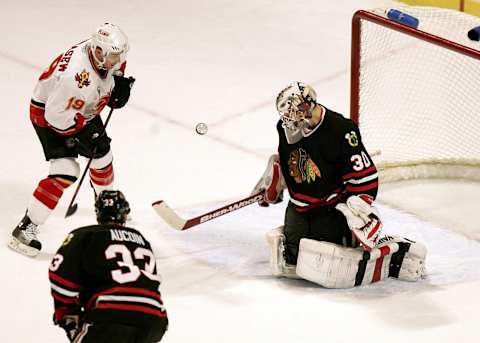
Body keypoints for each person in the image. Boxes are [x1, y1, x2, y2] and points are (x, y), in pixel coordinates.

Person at [253, 81, 427, 288]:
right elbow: (289, 158)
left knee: (335, 269)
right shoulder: (285, 128)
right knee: (290, 265)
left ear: (306, 106)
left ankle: (393, 252)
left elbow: (364, 177)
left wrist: (360, 208)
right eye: (285, 115)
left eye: (292, 112)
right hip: (299, 209)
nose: (288, 120)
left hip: (331, 209)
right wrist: (278, 179)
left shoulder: (341, 130)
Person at [8, 23, 135, 257]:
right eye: (113, 57)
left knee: (103, 155)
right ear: (98, 53)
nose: (117, 61)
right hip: (52, 117)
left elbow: (115, 69)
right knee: (66, 170)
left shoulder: (101, 55)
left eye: (119, 56)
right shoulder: (76, 79)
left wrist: (118, 82)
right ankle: (25, 229)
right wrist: (81, 136)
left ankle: (108, 212)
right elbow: (57, 118)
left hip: (79, 109)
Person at [48, 190, 168, 342]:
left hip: (110, 316)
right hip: (154, 319)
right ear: (125, 213)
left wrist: (66, 311)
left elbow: (60, 277)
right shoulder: (142, 240)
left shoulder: (83, 235)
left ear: (98, 213)